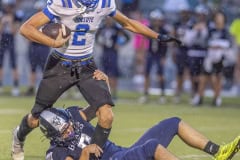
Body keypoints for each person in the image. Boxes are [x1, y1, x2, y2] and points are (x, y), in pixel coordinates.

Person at [11, 0, 181, 159]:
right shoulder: (63, 3)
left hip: (86, 65)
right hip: (59, 66)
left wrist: (158, 36)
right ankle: (18, 137)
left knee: (106, 116)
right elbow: (26, 28)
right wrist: (52, 42)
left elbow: (127, 23)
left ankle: (94, 156)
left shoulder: (103, 3)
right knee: (35, 119)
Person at [39, 105, 240, 160]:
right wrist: (84, 154)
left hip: (121, 153)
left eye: (68, 125)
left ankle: (218, 152)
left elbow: (101, 105)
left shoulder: (75, 115)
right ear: (53, 137)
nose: (69, 130)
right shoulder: (55, 152)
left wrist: (102, 83)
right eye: (63, 132)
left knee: (173, 123)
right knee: (152, 148)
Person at [192, 11, 231, 106]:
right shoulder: (211, 30)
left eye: (220, 17)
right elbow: (206, 42)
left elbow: (228, 44)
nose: (218, 19)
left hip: (220, 58)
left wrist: (219, 45)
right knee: (203, 77)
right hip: (209, 57)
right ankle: (199, 97)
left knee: (217, 78)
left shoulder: (225, 31)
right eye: (217, 17)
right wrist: (214, 45)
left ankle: (217, 98)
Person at [96, 17, 130, 100]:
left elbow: (127, 37)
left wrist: (119, 44)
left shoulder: (116, 28)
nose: (109, 20)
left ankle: (114, 93)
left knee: (113, 74)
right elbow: (96, 37)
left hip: (113, 53)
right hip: (105, 52)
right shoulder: (102, 27)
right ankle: (105, 93)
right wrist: (100, 43)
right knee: (103, 73)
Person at [138, 9, 168, 104]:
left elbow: (166, 45)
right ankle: (146, 94)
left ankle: (162, 95)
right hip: (150, 53)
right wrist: (142, 53)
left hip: (159, 54)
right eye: (155, 20)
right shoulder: (149, 28)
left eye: (158, 20)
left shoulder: (164, 31)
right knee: (147, 74)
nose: (156, 22)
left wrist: (164, 57)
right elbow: (143, 41)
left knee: (160, 75)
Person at [25, 0, 51, 96]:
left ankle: (45, 89)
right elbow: (27, 34)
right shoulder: (32, 19)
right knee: (33, 68)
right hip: (34, 46)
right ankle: (31, 87)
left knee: (44, 69)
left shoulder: (49, 21)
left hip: (44, 46)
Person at [0, 2, 20, 96]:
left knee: (13, 64)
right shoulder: (2, 15)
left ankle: (15, 85)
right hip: (3, 40)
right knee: (1, 64)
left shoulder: (15, 16)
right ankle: (1, 85)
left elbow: (13, 31)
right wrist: (3, 22)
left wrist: (11, 21)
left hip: (11, 41)